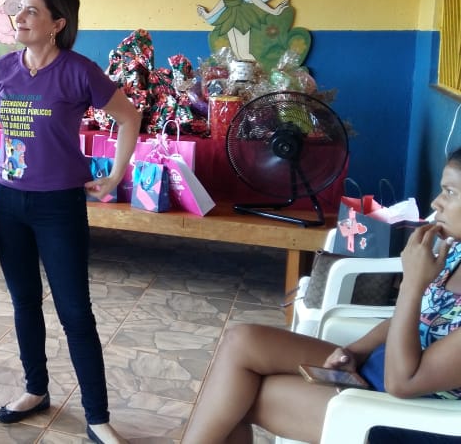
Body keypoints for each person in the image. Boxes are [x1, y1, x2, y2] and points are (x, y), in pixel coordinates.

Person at [181, 148, 461, 444]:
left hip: (411, 414)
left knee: (237, 396)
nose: (436, 202)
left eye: (450, 192)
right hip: (379, 371)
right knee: (242, 341)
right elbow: (413, 318)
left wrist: (412, 286)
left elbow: (404, 382)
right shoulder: (454, 251)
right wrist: (355, 351)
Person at [0, 0, 141, 444]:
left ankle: (97, 416)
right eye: (20, 9)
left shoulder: (79, 71)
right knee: (24, 302)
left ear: (57, 24)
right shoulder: (3, 67)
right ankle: (35, 390)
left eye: (32, 10)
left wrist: (116, 174)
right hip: (8, 201)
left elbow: (129, 116)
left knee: (74, 311)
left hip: (58, 205)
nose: (20, 17)